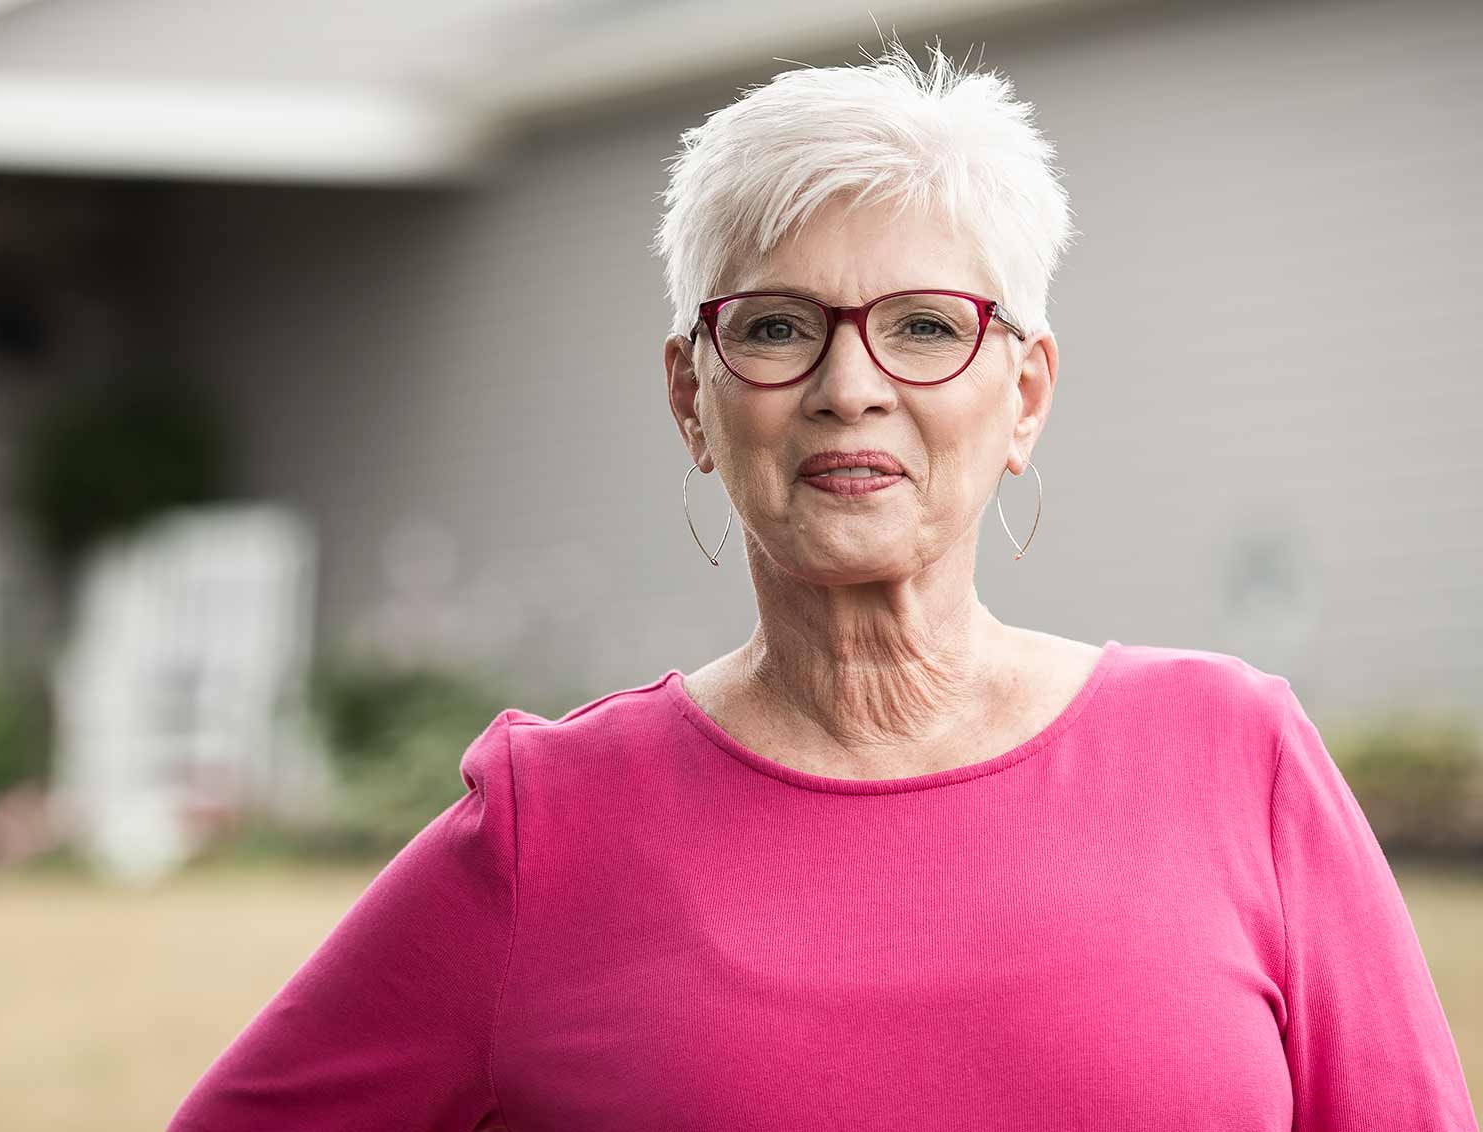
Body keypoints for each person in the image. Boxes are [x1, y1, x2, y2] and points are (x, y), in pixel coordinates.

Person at [166, 37, 1478, 1132]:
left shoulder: (1234, 759)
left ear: (1022, 395)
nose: (852, 388)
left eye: (923, 327)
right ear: (693, 398)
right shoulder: (547, 828)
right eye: (780, 328)